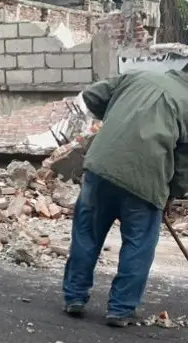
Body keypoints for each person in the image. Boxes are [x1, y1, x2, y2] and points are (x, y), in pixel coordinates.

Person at [62, 64, 188, 327]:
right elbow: (184, 162)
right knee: (139, 243)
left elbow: (92, 96)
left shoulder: (137, 76)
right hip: (146, 179)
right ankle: (120, 309)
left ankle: (74, 297)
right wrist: (172, 195)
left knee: (87, 233)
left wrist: (121, 115)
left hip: (102, 167)